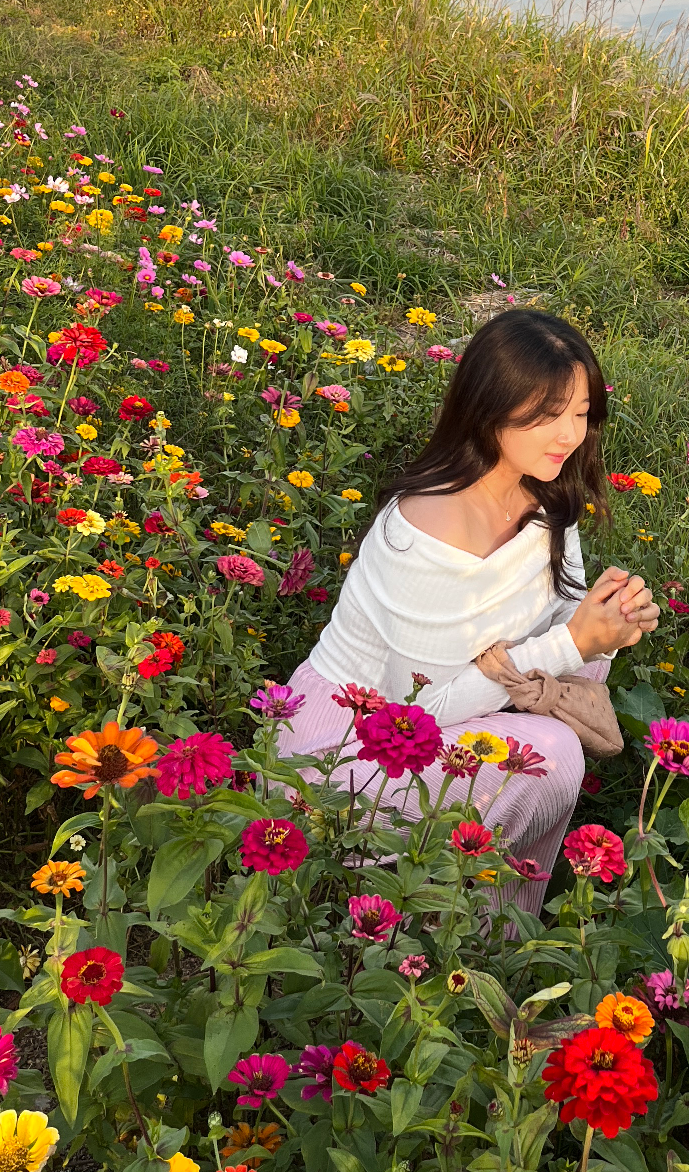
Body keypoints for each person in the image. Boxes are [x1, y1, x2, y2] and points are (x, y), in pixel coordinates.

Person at [275, 310, 659, 915]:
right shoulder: (424, 529)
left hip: (461, 713)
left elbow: (568, 650)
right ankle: (444, 924)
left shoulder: (547, 500)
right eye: (545, 416)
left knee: (559, 717)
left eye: (580, 414)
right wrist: (574, 643)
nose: (568, 436)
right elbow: (419, 713)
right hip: (351, 745)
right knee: (550, 755)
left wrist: (609, 625)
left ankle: (485, 925)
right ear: (487, 409)